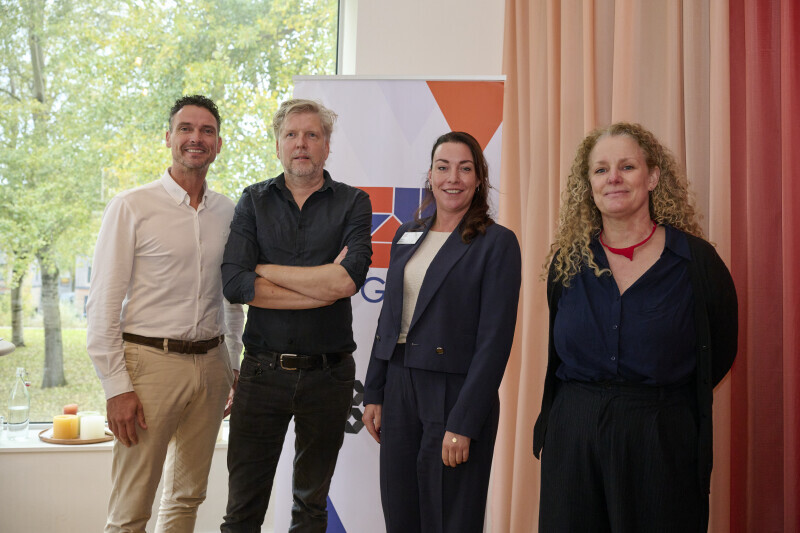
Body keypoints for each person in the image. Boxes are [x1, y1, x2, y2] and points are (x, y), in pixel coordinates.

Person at [533, 122, 738, 531]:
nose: (613, 178)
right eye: (601, 169)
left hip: (660, 437)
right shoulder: (568, 263)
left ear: (653, 177)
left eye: (627, 166)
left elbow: (719, 349)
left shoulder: (697, 263)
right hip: (574, 437)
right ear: (589, 184)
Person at [86, 94, 244, 533]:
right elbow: (102, 304)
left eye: (207, 131)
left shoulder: (228, 211)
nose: (196, 138)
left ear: (218, 144)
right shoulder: (132, 206)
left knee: (187, 496)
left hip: (211, 366)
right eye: (186, 129)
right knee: (132, 506)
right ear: (168, 138)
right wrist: (116, 387)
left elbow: (231, 297)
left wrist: (232, 363)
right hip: (149, 366)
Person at [220, 98, 373, 532]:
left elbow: (347, 281)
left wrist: (265, 270)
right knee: (242, 510)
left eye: (311, 135)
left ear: (327, 146)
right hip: (261, 374)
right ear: (277, 146)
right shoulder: (253, 201)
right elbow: (235, 283)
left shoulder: (354, 203)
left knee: (310, 508)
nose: (301, 143)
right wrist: (321, 286)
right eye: (291, 135)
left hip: (329, 377)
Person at [362, 131, 521, 532]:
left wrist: (464, 422)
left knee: (450, 517)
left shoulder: (496, 243)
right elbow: (388, 318)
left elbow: (494, 342)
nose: (453, 178)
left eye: (465, 168)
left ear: (479, 178)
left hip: (455, 392)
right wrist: (375, 391)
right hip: (399, 385)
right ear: (430, 175)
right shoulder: (407, 234)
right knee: (401, 512)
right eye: (443, 167)